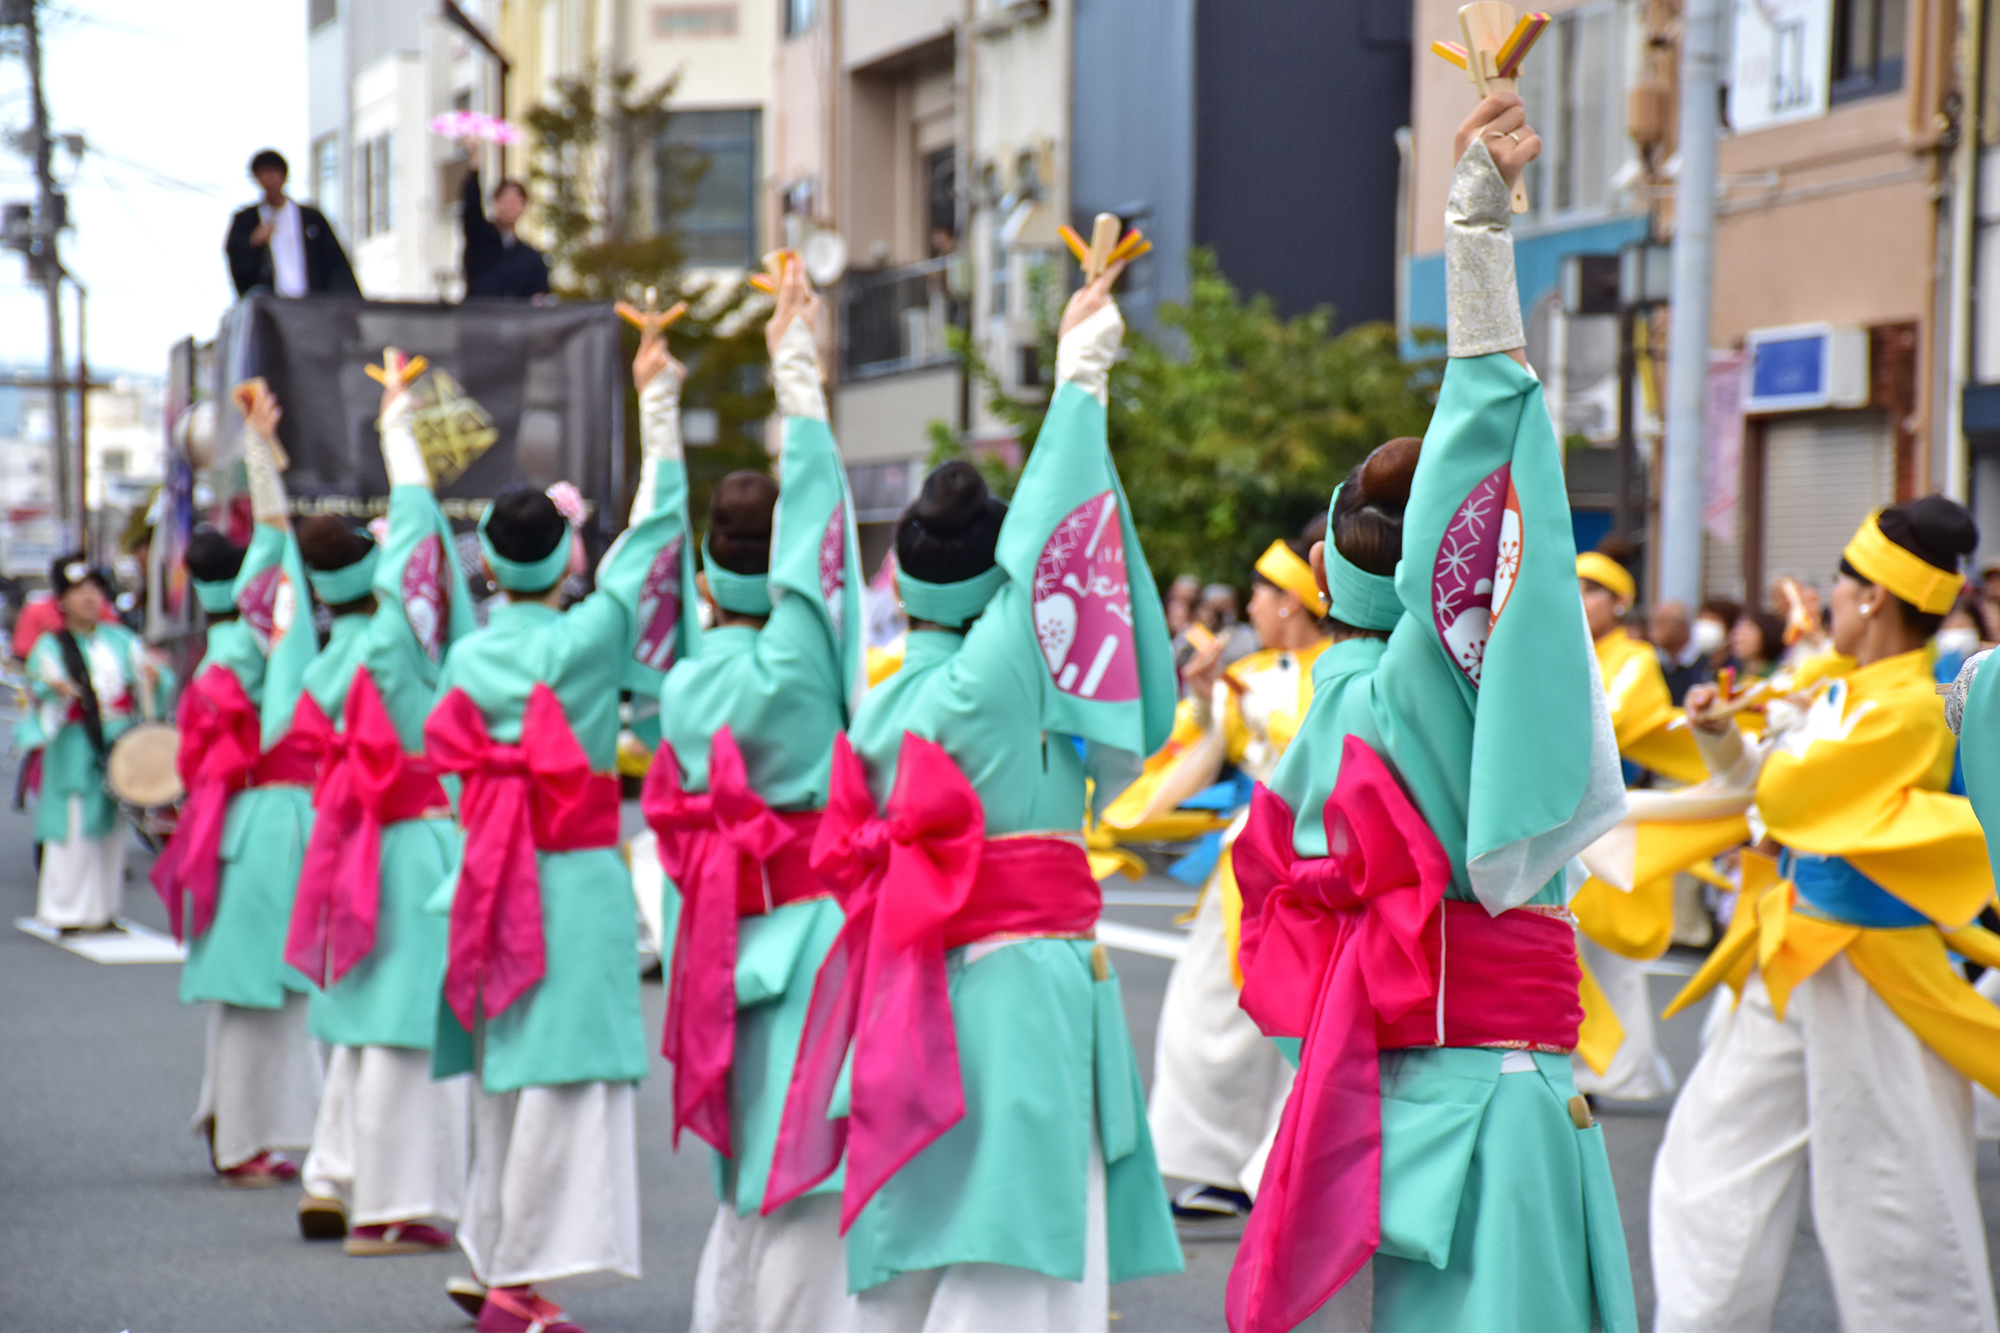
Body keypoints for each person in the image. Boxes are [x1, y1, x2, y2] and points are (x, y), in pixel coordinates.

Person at [1229, 93, 1635, 1333]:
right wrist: (1475, 235)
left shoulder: (1331, 695)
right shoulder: (1433, 669)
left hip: (1381, 1076)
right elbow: (1487, 475)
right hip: (1497, 1086)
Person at [759, 257, 1183, 1331]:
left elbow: (810, 580)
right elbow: (1051, 529)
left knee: (909, 1235)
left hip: (909, 978)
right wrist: (1080, 368)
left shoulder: (885, 699)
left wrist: (797, 381)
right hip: (1020, 983)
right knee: (1019, 1250)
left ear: (900, 586)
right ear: (998, 580)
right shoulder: (1003, 668)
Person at [1657, 496, 2000, 1333]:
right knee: (1709, 1170)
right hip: (1796, 949)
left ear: (1873, 596)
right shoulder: (1836, 690)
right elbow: (1768, 780)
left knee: (1894, 1213)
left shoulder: (1913, 708)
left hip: (1875, 971)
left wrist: (1769, 739)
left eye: (1840, 585)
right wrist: (1722, 733)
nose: (1831, 599)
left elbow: (1793, 795)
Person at [422, 322, 693, 1333]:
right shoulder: (587, 640)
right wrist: (654, 398)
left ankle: (495, 1251)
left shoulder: (464, 663)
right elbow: (659, 533)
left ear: (487, 566)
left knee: (506, 1071)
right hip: (568, 875)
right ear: (567, 553)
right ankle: (517, 1280)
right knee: (566, 1075)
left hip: (485, 870)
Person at [645, 257, 864, 1331]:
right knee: (808, 1171)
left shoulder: (685, 683)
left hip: (719, 935)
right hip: (813, 929)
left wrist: (657, 409)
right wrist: (796, 366)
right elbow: (819, 531)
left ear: (700, 580)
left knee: (746, 1176)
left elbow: (649, 561)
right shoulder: (800, 665)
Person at [285, 356, 480, 1255]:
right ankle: (388, 1204)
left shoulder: (331, 658)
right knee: (406, 1025)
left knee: (358, 1017)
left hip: (347, 838)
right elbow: (413, 535)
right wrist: (396, 424)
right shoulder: (399, 640)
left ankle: (333, 1171)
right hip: (410, 841)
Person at [153, 391, 325, 1188]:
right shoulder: (253, 645)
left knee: (248, 988)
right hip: (271, 821)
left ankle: (232, 1116)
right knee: (270, 989)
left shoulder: (217, 650)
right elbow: (280, 549)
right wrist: (259, 451)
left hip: (236, 821)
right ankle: (246, 1137)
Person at [1146, 527, 1332, 1225]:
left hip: (1314, 862)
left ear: (1291, 602)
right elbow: (1205, 746)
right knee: (1209, 1007)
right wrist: (1199, 694)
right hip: (1244, 862)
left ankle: (1285, 1165)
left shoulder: (1345, 669)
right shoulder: (1244, 676)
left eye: (1260, 590)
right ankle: (1215, 1164)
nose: (1250, 603)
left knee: (1299, 1016)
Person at [1567, 546, 1707, 1104]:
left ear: (1620, 604)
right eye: (1574, 588)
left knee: (1612, 954)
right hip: (1568, 818)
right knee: (1575, 944)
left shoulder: (1636, 660)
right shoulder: (1566, 651)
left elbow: (1609, 720)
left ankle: (1622, 1071)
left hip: (1614, 819)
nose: (1579, 600)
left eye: (1591, 591)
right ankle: (1611, 1067)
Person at [20, 555, 163, 931]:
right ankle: (66, 909)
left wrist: (153, 680)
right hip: (75, 742)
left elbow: (148, 682)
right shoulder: (51, 646)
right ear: (62, 601)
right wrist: (56, 691)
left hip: (117, 741)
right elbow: (39, 688)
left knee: (109, 827)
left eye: (94, 591)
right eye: (79, 592)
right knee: (74, 826)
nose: (89, 599)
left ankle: (103, 909)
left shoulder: (122, 640)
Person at [226, 149, 358, 298]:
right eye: (263, 173)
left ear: (284, 176)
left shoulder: (311, 218)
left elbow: (335, 262)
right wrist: (253, 242)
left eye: (274, 172)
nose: (269, 179)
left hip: (311, 303)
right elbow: (236, 261)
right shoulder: (246, 220)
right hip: (269, 307)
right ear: (256, 179)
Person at [461, 155, 549, 300]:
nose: (511, 205)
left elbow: (538, 296)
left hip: (514, 320)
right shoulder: (479, 238)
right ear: (496, 202)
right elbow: (471, 209)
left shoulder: (531, 257)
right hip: (478, 318)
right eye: (506, 199)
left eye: (517, 200)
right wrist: (474, 165)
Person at [1650, 598, 1710, 705]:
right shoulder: (1655, 663)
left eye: (1661, 623)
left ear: (1681, 629)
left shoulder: (1707, 665)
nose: (1653, 631)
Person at [1731, 608, 1785, 679]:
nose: (1738, 638)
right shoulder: (1736, 676)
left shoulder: (1776, 676)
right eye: (1737, 632)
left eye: (1746, 632)